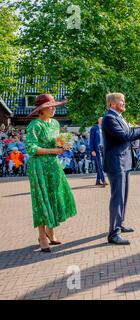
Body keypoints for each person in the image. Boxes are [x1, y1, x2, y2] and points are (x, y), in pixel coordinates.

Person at [25, 93, 77, 252]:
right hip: (39, 167)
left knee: (55, 197)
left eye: (54, 105)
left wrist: (64, 144)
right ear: (41, 110)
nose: (54, 108)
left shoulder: (55, 123)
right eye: (50, 106)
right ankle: (42, 235)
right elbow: (31, 148)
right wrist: (53, 150)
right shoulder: (35, 125)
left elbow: (55, 141)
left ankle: (51, 230)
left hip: (54, 166)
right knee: (42, 199)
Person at [102, 92, 140, 245]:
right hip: (116, 163)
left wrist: (139, 129)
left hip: (125, 162)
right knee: (117, 197)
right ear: (112, 104)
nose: (124, 103)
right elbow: (123, 136)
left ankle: (120, 223)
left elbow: (127, 134)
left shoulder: (119, 117)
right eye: (121, 101)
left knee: (124, 195)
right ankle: (113, 234)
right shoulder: (109, 118)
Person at [90, 117, 107, 186]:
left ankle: (98, 180)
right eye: (101, 120)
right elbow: (91, 140)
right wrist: (92, 150)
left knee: (101, 164)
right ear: (98, 121)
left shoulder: (104, 128)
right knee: (100, 165)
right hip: (97, 149)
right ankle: (103, 180)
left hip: (104, 148)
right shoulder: (94, 128)